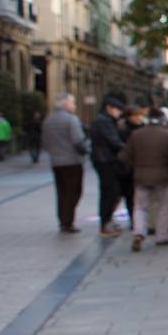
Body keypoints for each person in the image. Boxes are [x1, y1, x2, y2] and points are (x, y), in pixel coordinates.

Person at [120, 108, 168, 251]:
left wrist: (135, 165)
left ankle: (139, 233)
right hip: (163, 177)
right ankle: (162, 236)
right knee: (163, 207)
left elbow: (124, 156)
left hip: (141, 176)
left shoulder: (136, 135)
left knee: (140, 207)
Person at [41, 93, 88, 233]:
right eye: (73, 103)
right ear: (66, 104)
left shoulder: (48, 120)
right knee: (73, 192)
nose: (74, 105)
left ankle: (63, 220)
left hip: (56, 162)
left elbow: (45, 142)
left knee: (61, 192)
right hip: (72, 162)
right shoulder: (71, 120)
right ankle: (68, 222)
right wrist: (86, 151)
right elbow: (78, 140)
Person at [89, 95, 127, 236]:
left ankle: (108, 221)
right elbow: (113, 141)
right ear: (109, 108)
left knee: (113, 192)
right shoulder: (103, 121)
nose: (119, 112)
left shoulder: (106, 120)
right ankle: (105, 224)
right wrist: (129, 149)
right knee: (109, 192)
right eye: (117, 109)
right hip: (105, 160)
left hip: (105, 159)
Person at [119, 106, 146, 230]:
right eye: (136, 115)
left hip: (141, 166)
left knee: (140, 196)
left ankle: (139, 220)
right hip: (129, 169)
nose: (139, 118)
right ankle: (133, 219)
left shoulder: (144, 128)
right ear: (129, 117)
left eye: (140, 115)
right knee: (130, 195)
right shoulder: (123, 129)